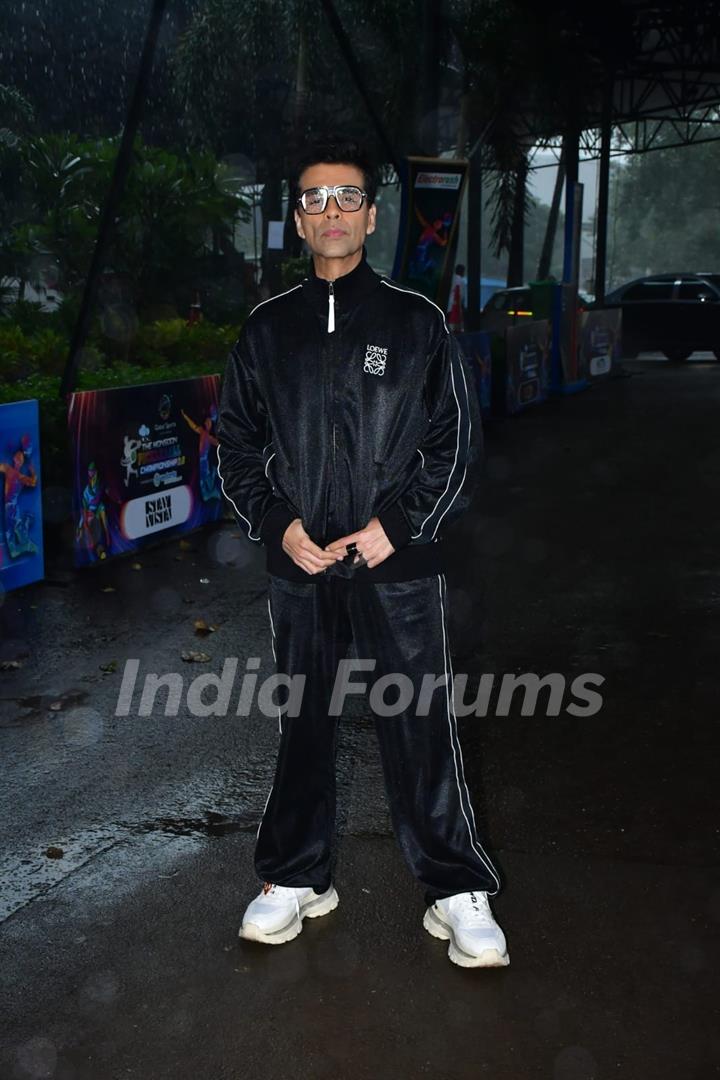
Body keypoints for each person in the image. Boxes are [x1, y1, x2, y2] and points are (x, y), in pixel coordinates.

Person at [215, 135, 509, 969]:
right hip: (301, 571)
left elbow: (456, 446)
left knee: (420, 722)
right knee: (303, 723)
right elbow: (233, 447)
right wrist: (281, 528)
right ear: (299, 221)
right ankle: (295, 878)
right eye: (316, 199)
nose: (332, 212)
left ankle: (454, 888)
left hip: (398, 565)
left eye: (347, 197)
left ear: (373, 216)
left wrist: (398, 528)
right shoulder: (267, 331)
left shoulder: (417, 322)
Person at [447, 263, 467, 332]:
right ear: (462, 271)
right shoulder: (462, 281)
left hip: (447, 305)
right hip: (455, 307)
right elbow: (462, 297)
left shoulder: (450, 278)